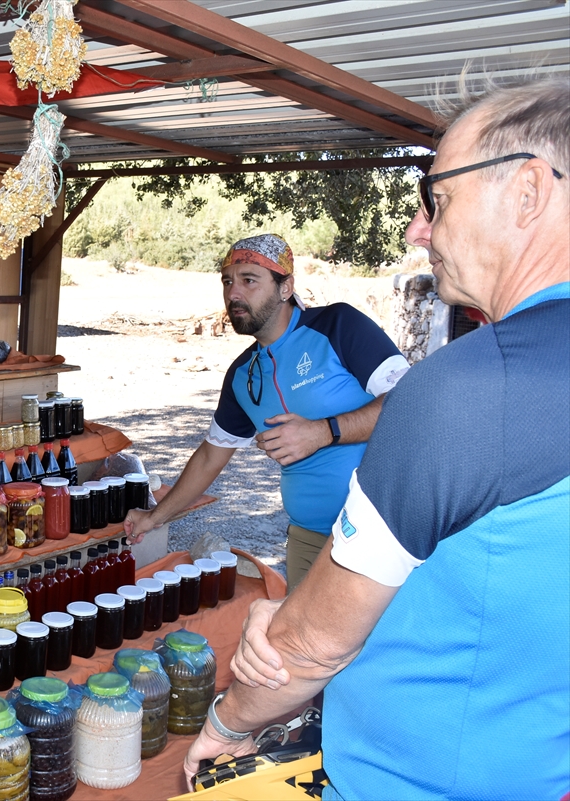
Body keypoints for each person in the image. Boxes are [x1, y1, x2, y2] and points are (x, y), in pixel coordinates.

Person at [186, 76, 569, 799]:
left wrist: (227, 724)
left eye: (438, 198)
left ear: (527, 192)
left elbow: (312, 643)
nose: (417, 230)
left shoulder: (465, 389)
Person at [124, 233, 409, 589]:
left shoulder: (337, 326)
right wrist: (155, 517)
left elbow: (410, 401)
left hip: (380, 532)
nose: (233, 294)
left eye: (249, 280)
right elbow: (211, 456)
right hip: (307, 540)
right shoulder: (242, 374)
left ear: (285, 287)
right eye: (227, 281)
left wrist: (324, 431)